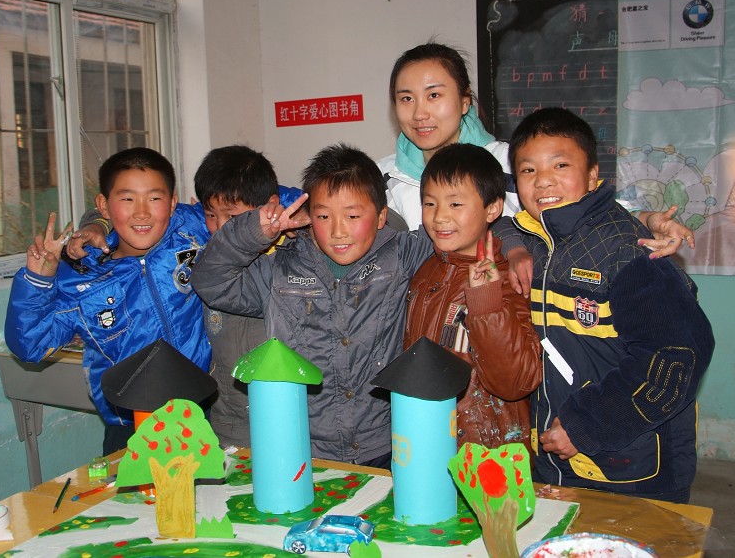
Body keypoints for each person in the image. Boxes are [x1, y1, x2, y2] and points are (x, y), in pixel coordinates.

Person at [504, 107, 715, 503]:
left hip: (631, 469)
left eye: (560, 165)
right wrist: (513, 248)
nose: (543, 180)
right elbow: (498, 221)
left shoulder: (628, 252)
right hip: (558, 458)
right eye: (528, 170)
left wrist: (587, 424)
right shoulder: (539, 239)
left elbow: (677, 356)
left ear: (592, 176)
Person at [378, 41, 695, 296]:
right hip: (421, 325)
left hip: (511, 322)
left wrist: (645, 219)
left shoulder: (512, 163)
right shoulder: (383, 177)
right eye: (406, 99)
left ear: (464, 101)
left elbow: (584, 206)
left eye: (434, 95)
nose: (419, 113)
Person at [192, 144, 439, 468]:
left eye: (352, 216)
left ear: (380, 216)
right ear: (309, 216)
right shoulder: (280, 269)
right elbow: (211, 283)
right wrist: (252, 232)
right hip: (303, 449)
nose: (338, 231)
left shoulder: (400, 255)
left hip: (384, 443)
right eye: (323, 216)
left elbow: (462, 233)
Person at [4, 147, 211, 455]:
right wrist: (38, 280)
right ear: (103, 204)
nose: (142, 212)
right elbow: (30, 346)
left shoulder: (192, 229)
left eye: (154, 198)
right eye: (127, 199)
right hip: (130, 427)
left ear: (171, 203)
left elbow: (257, 200)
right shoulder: (82, 280)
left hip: (202, 413)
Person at [404, 143, 542, 451]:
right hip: (426, 440)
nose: (439, 217)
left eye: (455, 204)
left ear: (492, 209)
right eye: (429, 203)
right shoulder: (426, 269)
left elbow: (516, 383)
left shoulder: (511, 277)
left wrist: (486, 301)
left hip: (488, 453)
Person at [192, 145, 301, 448]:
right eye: (210, 215)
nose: (220, 227)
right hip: (230, 422)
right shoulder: (212, 257)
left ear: (270, 206)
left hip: (290, 419)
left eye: (232, 216)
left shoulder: (293, 256)